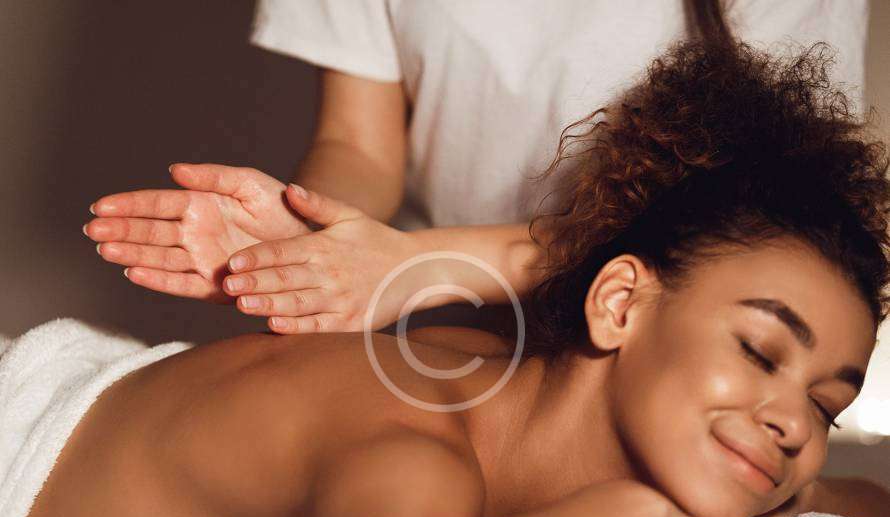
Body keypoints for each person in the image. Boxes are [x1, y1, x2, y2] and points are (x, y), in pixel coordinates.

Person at [10, 39, 890, 517]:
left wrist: (814, 493)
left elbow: (856, 502)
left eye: (827, 405)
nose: (792, 421)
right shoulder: (412, 431)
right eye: (761, 351)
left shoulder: (507, 386)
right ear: (619, 304)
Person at [83, 0, 869, 336]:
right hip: (455, 324)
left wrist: (412, 268)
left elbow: (753, 208)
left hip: (666, 326)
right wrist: (305, 231)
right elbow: (360, 147)